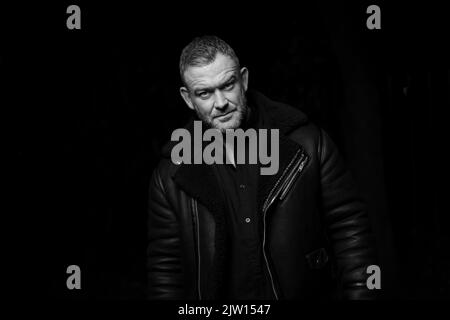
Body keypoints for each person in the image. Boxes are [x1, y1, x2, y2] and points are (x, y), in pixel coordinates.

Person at [147, 35, 377, 300]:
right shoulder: (171, 174)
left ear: (243, 80)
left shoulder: (307, 144)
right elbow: (165, 268)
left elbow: (351, 228)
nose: (220, 102)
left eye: (228, 85)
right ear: (188, 99)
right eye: (205, 93)